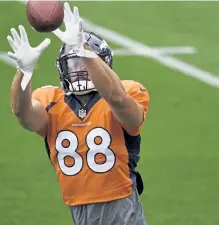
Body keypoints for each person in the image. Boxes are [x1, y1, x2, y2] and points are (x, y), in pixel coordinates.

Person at [8, 2, 149, 225]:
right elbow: (22, 114)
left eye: (82, 63)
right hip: (78, 209)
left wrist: (84, 50)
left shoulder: (129, 91)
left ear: (103, 64)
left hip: (121, 209)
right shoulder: (51, 100)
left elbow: (117, 98)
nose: (79, 69)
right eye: (73, 64)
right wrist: (23, 73)